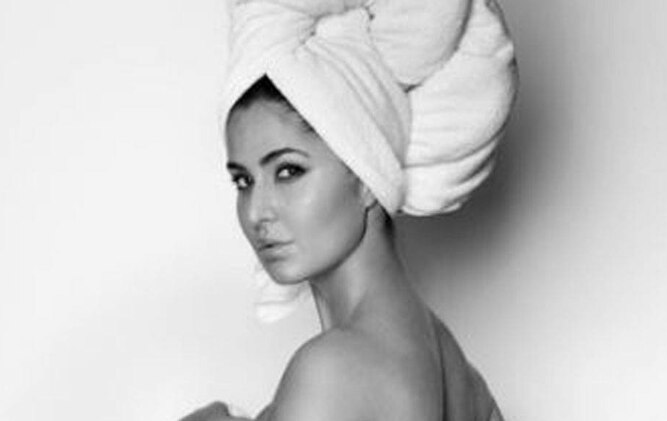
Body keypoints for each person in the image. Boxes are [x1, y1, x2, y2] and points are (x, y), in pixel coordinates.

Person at [181, 0, 517, 420]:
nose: (256, 212)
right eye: (244, 181)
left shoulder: (330, 372)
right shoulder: (456, 372)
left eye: (288, 171)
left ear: (366, 176)